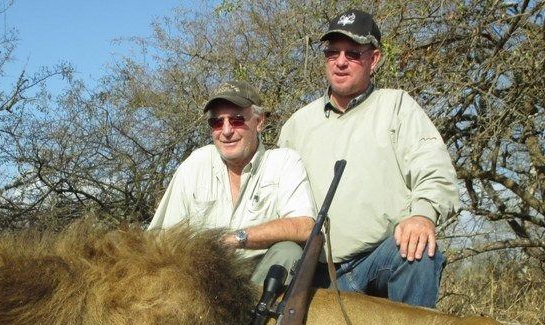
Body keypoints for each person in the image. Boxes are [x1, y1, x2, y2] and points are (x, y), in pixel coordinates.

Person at [278, 9, 459, 308]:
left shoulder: (397, 106)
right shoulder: (296, 125)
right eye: (332, 52)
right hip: (313, 268)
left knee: (417, 254)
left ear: (374, 59)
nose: (340, 61)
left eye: (353, 53)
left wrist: (422, 215)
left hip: (375, 260)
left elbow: (434, 170)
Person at [149, 80, 316, 287]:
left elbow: (304, 226)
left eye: (237, 120)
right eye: (217, 123)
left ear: (259, 121)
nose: (226, 131)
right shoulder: (195, 164)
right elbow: (162, 238)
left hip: (261, 281)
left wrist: (236, 238)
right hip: (204, 281)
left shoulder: (284, 162)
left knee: (289, 252)